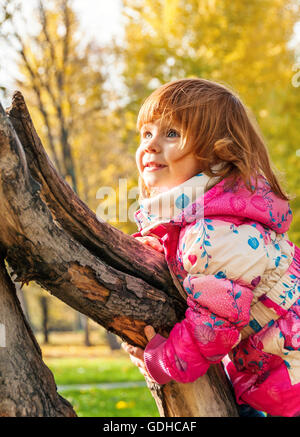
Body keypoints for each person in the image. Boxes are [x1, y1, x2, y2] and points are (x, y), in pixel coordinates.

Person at [121, 78, 300, 417]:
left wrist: (162, 360)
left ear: (218, 154)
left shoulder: (215, 232)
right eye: (146, 133)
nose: (151, 145)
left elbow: (214, 326)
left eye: (171, 134)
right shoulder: (209, 218)